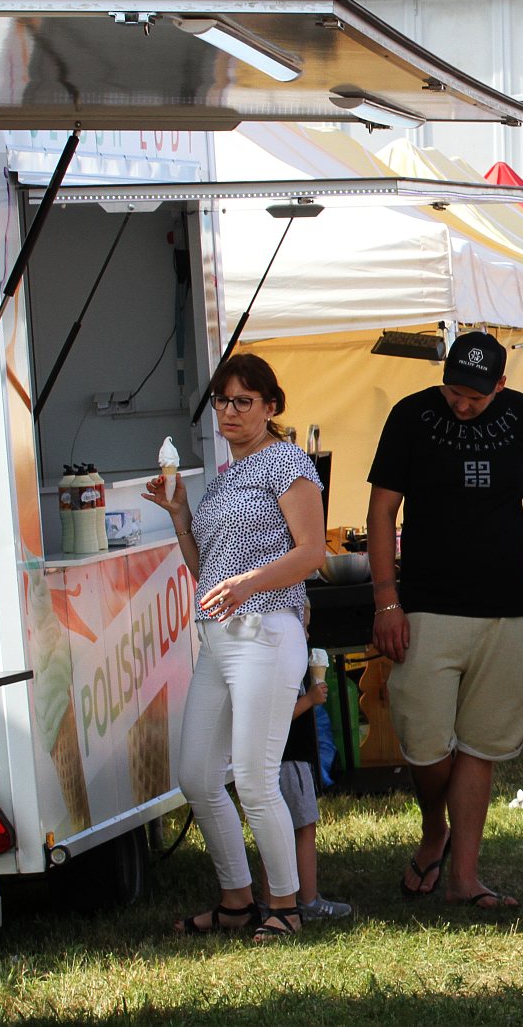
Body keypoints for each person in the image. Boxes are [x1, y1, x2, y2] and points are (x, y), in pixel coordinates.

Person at [368, 331, 523, 910]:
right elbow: (381, 510)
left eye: (475, 395)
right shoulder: (411, 415)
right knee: (425, 745)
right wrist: (386, 600)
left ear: (500, 384)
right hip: (425, 605)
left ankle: (464, 877)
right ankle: (434, 830)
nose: (462, 403)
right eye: (454, 389)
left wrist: (522, 582)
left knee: (479, 745)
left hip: (501, 611)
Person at [143, 354, 326, 941]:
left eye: (243, 401)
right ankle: (236, 900)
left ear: (272, 407)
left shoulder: (288, 463)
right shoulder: (224, 476)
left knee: (253, 777)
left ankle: (286, 905)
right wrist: (179, 518)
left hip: (268, 631)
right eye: (222, 401)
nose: (228, 412)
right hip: (220, 637)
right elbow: (207, 571)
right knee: (197, 777)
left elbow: (312, 553)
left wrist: (246, 583)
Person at [280, 675, 354, 922]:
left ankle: (273, 902)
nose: (307, 633)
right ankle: (309, 902)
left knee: (278, 829)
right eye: (304, 631)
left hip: (286, 759)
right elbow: (276, 716)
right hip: (290, 759)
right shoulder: (281, 658)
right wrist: (310, 699)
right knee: (303, 827)